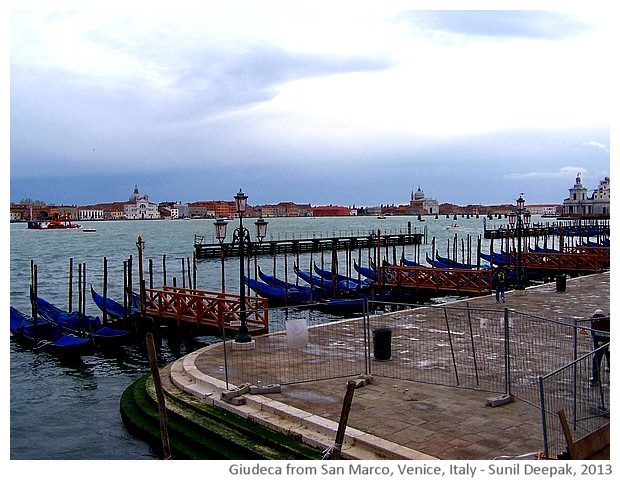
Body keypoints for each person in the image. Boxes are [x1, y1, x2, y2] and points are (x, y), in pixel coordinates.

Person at [590, 308, 610, 387]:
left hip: (599, 345)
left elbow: (593, 333)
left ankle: (595, 380)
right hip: (608, 344)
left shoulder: (594, 321)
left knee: (596, 361)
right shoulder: (607, 321)